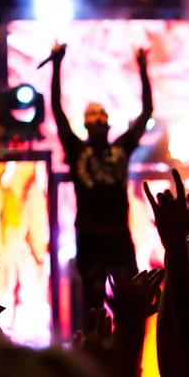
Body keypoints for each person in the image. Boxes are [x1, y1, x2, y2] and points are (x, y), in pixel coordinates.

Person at [48, 42, 153, 317]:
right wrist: (57, 64)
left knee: (130, 302)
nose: (97, 117)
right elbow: (57, 111)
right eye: (91, 113)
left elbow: (146, 113)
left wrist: (143, 68)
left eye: (101, 113)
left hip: (119, 234)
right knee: (91, 304)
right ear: (84, 123)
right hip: (89, 234)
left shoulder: (121, 148)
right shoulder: (76, 149)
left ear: (108, 122)